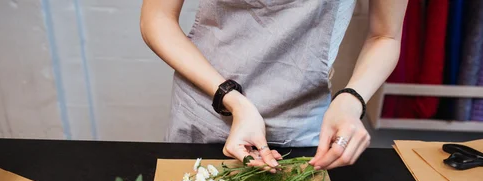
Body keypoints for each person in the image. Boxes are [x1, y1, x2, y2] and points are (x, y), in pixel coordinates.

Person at [141, 0, 407, 170]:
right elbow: (157, 18)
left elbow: (385, 35)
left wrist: (350, 100)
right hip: (204, 113)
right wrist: (233, 100)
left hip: (299, 130)